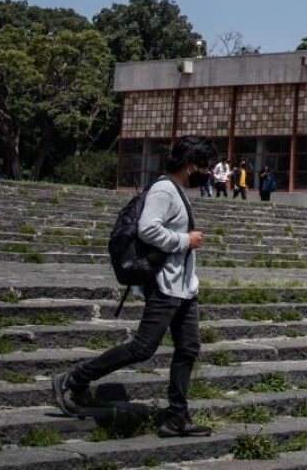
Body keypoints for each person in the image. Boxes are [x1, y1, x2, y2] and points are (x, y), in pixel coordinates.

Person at [52, 135, 214, 437]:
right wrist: (185, 240)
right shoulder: (165, 189)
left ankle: (177, 417)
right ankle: (73, 380)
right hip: (165, 286)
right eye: (205, 167)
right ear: (192, 164)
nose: (207, 173)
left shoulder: (177, 191)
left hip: (183, 288)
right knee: (142, 348)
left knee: (188, 348)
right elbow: (148, 228)